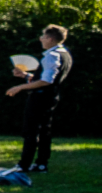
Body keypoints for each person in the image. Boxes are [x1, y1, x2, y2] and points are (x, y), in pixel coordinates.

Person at [6, 25, 71, 174]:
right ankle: (41, 164)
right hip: (51, 96)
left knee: (31, 131)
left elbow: (46, 80)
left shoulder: (52, 55)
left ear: (50, 38)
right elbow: (50, 80)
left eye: (43, 36)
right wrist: (26, 76)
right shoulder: (65, 53)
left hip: (40, 97)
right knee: (44, 131)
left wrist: (21, 87)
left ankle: (24, 165)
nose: (40, 39)